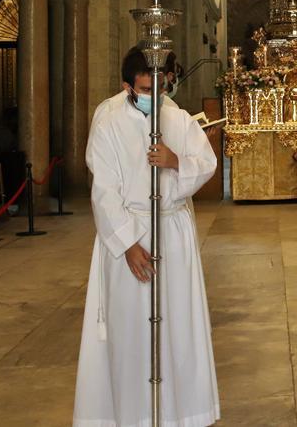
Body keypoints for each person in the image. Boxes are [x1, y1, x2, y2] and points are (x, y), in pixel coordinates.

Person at [74, 47, 220, 427]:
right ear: (126, 86)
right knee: (130, 333)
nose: (154, 97)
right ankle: (131, 416)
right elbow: (103, 187)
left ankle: (177, 416)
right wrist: (126, 243)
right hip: (129, 232)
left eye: (160, 87)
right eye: (143, 88)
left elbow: (206, 164)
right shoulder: (107, 118)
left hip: (172, 231)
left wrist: (176, 162)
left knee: (177, 328)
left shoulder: (177, 117)